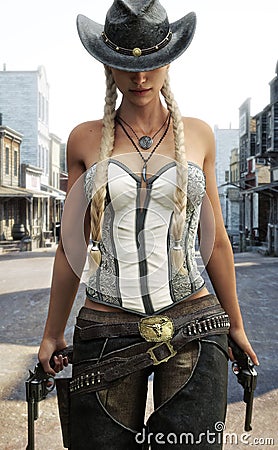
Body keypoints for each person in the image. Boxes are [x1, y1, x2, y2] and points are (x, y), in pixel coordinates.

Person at [38, 1, 259, 449]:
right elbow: (71, 246)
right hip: (106, 325)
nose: (140, 78)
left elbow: (213, 243)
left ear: (169, 60)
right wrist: (51, 333)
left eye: (152, 63)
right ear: (108, 63)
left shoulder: (198, 135)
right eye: (126, 64)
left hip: (193, 322)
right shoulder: (83, 137)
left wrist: (235, 325)